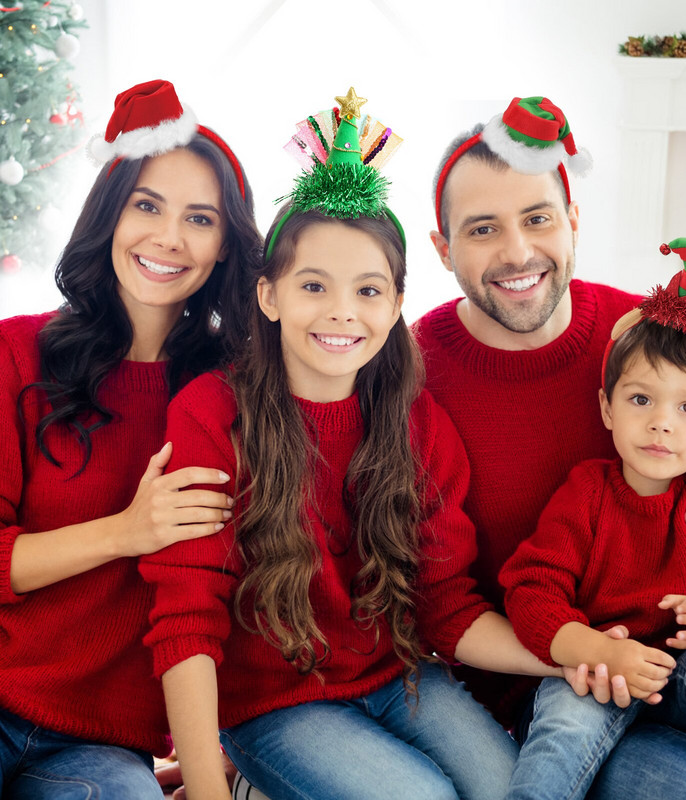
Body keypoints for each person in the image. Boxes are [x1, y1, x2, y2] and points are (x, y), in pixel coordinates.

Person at [141, 88, 584, 800]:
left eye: (369, 290)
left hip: (398, 676)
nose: (343, 311)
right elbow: (185, 621)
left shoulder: (415, 421)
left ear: (399, 303)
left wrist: (574, 657)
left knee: (518, 791)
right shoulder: (212, 414)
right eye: (314, 285)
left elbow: (447, 605)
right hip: (274, 707)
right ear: (270, 296)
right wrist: (206, 788)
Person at [413, 93, 686, 797]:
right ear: (442, 249)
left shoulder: (638, 331)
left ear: (571, 220)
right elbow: (441, 605)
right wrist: (578, 656)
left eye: (537, 219)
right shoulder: (413, 372)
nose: (518, 251)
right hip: (550, 673)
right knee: (657, 788)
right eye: (483, 229)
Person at [0, 80, 262, 798]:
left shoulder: (229, 395)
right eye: (148, 206)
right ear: (110, 215)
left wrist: (232, 746)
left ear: (225, 246)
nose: (169, 237)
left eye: (200, 219)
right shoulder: (18, 356)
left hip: (101, 746)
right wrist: (125, 531)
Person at [499, 238, 686, 800]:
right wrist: (592, 650)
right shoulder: (588, 491)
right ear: (607, 408)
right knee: (565, 718)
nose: (662, 424)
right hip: (599, 672)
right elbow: (531, 590)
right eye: (641, 400)